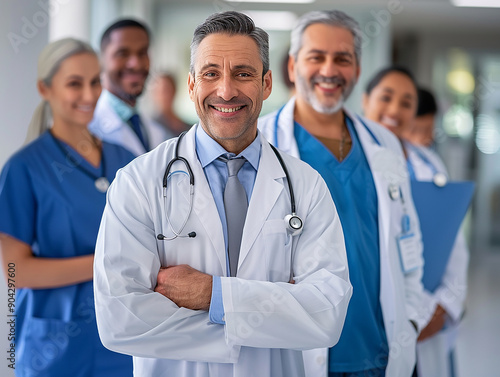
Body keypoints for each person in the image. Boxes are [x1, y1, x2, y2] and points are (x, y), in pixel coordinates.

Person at [93, 11, 352, 377]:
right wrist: (274, 312)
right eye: (211, 73)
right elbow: (120, 318)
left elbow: (327, 314)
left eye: (243, 74)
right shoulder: (138, 182)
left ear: (266, 84)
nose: (226, 90)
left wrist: (213, 296)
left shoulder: (306, 186)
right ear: (191, 85)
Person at [259, 10, 426, 377]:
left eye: (342, 59)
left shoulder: (383, 143)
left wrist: (411, 321)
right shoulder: (259, 144)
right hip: (296, 350)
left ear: (357, 69)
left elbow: (408, 244)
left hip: (379, 351)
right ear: (292, 66)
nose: (329, 70)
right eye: (316, 57)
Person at [0, 38, 134, 377]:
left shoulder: (128, 161)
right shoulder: (25, 168)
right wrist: (105, 264)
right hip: (56, 346)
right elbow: (17, 271)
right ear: (45, 89)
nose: (89, 96)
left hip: (122, 337)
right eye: (75, 84)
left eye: (94, 82)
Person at [362, 66, 469, 377]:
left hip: (427, 316)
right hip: (368, 319)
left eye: (407, 102)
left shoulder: (429, 163)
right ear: (366, 100)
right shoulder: (348, 161)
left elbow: (454, 242)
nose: (395, 109)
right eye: (386, 97)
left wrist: (446, 306)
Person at [89, 19, 168, 156]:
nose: (135, 64)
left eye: (142, 53)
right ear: (100, 61)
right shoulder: (90, 128)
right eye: (122, 54)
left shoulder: (154, 130)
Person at [151, 72, 191, 137]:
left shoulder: (188, 128)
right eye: (158, 91)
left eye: (166, 90)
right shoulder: (151, 127)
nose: (162, 96)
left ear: (174, 91)